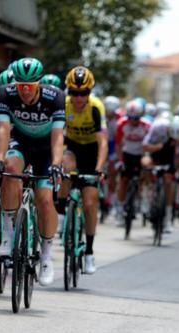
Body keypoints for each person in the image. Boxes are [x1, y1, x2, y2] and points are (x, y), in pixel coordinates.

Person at [0, 57, 64, 286]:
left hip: (45, 149)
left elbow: (58, 136)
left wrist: (57, 165)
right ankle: (9, 235)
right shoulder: (5, 93)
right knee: (10, 170)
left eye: (30, 86)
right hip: (20, 142)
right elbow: (2, 130)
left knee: (45, 199)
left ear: (39, 83)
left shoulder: (55, 97)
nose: (25, 90)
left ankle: (46, 257)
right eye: (21, 85)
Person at [58, 65, 107, 274]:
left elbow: (103, 143)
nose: (79, 98)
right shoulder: (64, 104)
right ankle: (61, 213)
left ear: (90, 92)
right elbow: (57, 136)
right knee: (65, 167)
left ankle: (88, 252)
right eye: (75, 93)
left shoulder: (96, 107)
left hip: (92, 151)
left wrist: (98, 169)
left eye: (83, 93)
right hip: (72, 146)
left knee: (89, 203)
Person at [142, 115, 179, 232]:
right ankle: (147, 196)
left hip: (169, 155)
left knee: (169, 181)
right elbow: (144, 146)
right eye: (173, 138)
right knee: (146, 165)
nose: (176, 140)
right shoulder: (157, 127)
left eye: (177, 140)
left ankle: (168, 218)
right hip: (154, 150)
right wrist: (158, 147)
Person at [115, 100, 150, 224]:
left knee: (144, 176)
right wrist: (120, 160)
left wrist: (147, 157)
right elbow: (118, 145)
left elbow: (150, 144)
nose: (133, 120)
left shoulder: (146, 125)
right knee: (123, 180)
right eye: (130, 117)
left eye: (136, 118)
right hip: (127, 154)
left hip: (141, 155)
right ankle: (120, 208)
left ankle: (142, 199)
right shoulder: (121, 124)